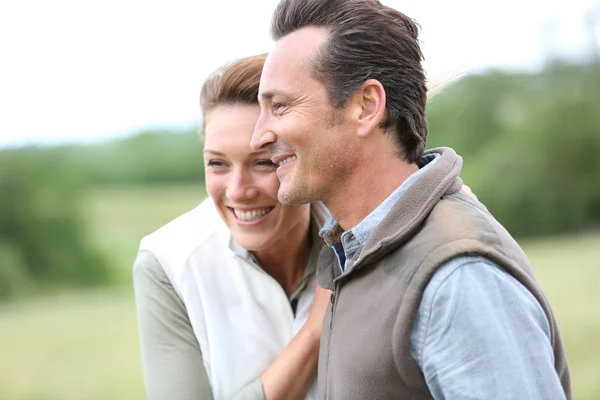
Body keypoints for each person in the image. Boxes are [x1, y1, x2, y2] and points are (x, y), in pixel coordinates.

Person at [250, 1, 572, 399]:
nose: (259, 137)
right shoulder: (357, 254)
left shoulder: (456, 276)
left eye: (280, 106)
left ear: (366, 107)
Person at [133, 54, 334, 400]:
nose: (238, 191)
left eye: (263, 162)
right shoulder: (167, 263)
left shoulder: (362, 233)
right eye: (217, 163)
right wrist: (315, 332)